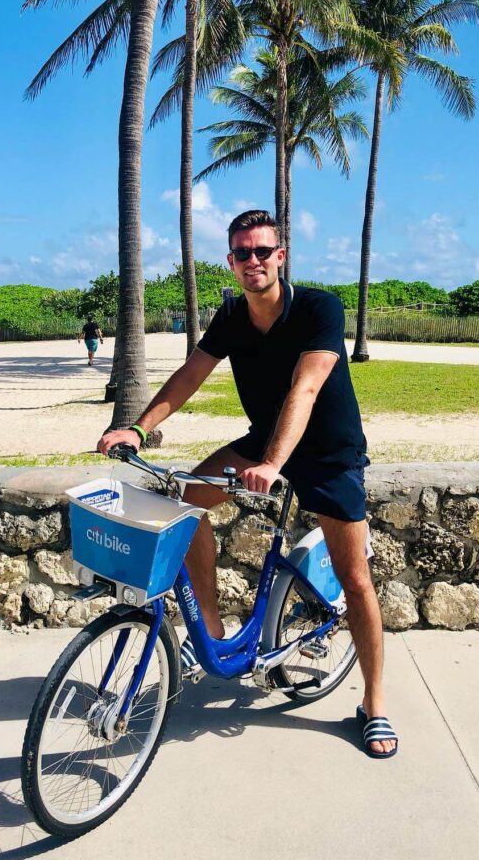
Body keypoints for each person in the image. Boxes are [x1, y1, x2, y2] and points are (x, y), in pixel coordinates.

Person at [98, 209, 397, 758]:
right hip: (264, 443)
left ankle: (374, 705)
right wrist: (140, 427)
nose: (253, 261)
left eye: (263, 251)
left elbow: (305, 389)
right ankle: (208, 629)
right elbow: (191, 373)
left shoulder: (318, 308)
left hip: (329, 454)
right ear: (231, 261)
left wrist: (274, 464)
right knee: (186, 504)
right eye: (243, 253)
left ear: (281, 256)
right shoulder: (232, 315)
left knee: (355, 581)